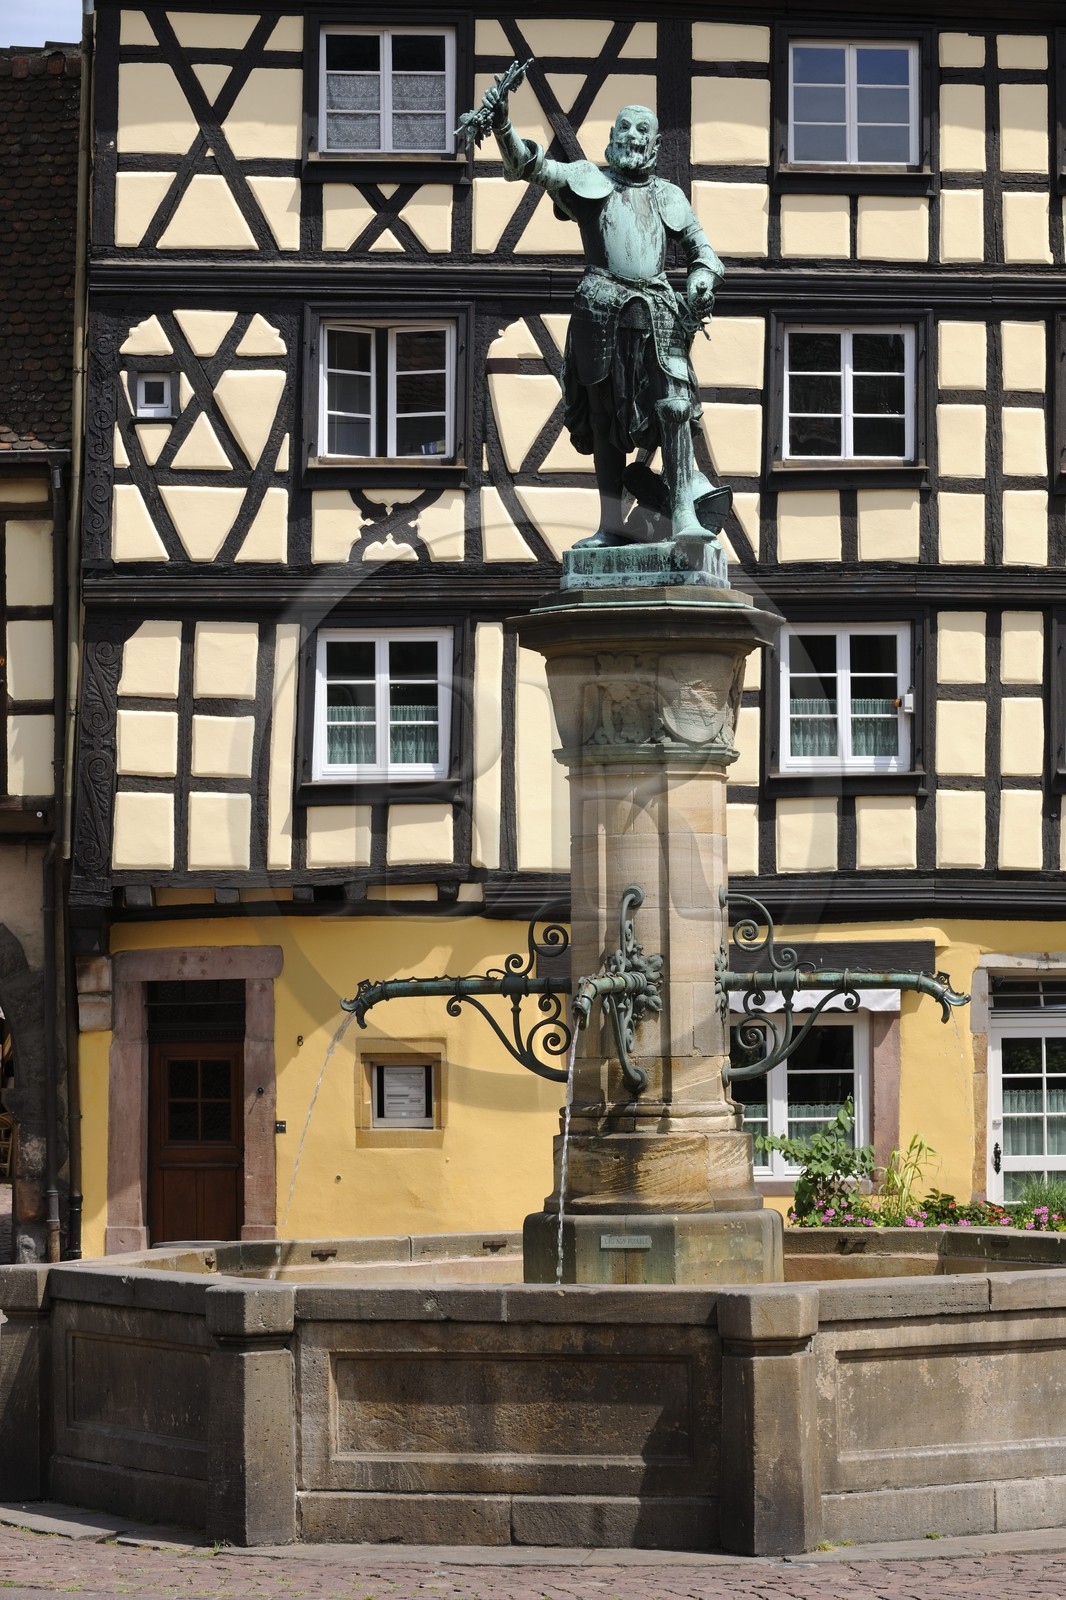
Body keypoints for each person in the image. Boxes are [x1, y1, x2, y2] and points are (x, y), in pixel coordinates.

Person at [480, 80, 724, 547]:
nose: (633, 136)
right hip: (600, 306)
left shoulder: (669, 196)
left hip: (657, 308)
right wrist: (503, 125)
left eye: (643, 130)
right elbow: (532, 167)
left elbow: (703, 250)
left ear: (653, 144)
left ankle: (683, 515)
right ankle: (611, 527)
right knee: (603, 418)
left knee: (674, 406)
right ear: (612, 136)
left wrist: (703, 277)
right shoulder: (591, 180)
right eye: (625, 127)